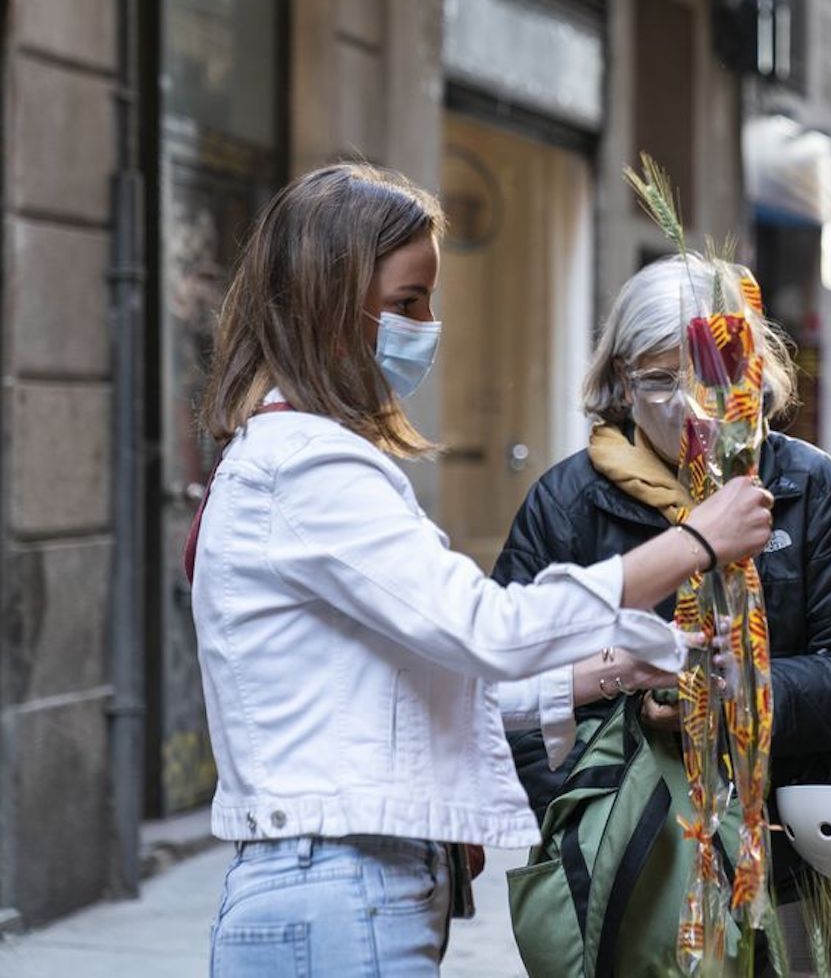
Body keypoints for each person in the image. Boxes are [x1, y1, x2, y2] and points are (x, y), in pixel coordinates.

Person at [191, 164, 774, 976]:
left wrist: (607, 672)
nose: (429, 325)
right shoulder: (308, 467)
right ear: (327, 307)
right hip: (341, 891)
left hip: (344, 889)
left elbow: (422, 681)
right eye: (405, 302)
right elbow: (484, 628)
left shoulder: (303, 457)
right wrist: (694, 545)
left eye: (428, 299)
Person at [492, 254, 831, 975]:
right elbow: (511, 687)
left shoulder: (808, 487)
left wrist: (744, 694)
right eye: (659, 382)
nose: (692, 408)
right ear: (619, 381)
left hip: (782, 856)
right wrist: (595, 809)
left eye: (713, 378)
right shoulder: (566, 504)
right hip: (627, 863)